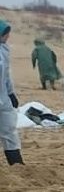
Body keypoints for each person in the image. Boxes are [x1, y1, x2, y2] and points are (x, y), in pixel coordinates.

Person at [0, 20, 22, 165]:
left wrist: (11, 93)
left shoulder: (4, 50)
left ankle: (16, 164)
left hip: (3, 99)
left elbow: (6, 75)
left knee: (9, 130)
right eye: (5, 34)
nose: (8, 37)